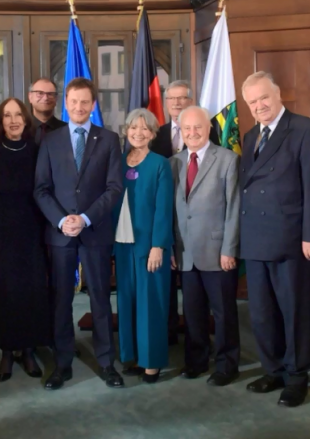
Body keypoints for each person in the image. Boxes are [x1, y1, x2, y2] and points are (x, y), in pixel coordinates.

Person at [239, 71, 310, 408]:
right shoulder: (250, 136)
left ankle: (296, 376)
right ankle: (272, 369)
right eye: (252, 102)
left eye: (264, 97)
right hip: (256, 240)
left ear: (278, 94)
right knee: (261, 313)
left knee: (293, 312)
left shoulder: (305, 130)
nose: (259, 105)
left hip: (293, 240)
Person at [34, 77, 124, 391]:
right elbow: (41, 189)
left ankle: (106, 363)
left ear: (93, 105)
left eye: (85, 102)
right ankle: (62, 365)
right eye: (73, 102)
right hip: (60, 235)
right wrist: (63, 221)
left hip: (95, 231)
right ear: (66, 104)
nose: (79, 107)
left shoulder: (109, 139)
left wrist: (84, 218)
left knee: (100, 298)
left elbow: (114, 188)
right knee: (61, 300)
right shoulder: (50, 140)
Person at [0, 97, 52, 382]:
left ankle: (29, 351)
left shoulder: (38, 152)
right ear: (0, 122)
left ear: (26, 119)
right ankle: (9, 352)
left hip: (34, 237)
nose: (13, 120)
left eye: (17, 115)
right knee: (8, 297)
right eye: (7, 116)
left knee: (33, 294)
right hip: (2, 240)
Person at [171, 106, 241, 387]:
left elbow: (234, 207)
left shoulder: (227, 160)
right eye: (187, 129)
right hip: (185, 252)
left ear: (209, 128)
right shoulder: (173, 162)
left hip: (217, 251)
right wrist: (173, 249)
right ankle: (196, 361)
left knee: (223, 312)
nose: (192, 133)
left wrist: (229, 249)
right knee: (193, 311)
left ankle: (227, 364)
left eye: (198, 127)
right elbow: (174, 212)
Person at [150, 80, 219, 346]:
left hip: (202, 231)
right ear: (165, 103)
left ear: (191, 101)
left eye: (183, 98)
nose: (177, 103)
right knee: (167, 290)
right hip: (168, 226)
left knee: (199, 297)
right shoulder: (155, 134)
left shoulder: (208, 133)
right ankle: (169, 336)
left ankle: (203, 342)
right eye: (172, 99)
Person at [113, 109, 174, 384]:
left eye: (145, 129)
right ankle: (133, 356)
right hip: (122, 244)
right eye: (134, 128)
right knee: (126, 301)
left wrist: (158, 246)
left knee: (151, 305)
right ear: (126, 131)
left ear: (152, 133)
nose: (138, 133)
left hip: (149, 246)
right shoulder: (117, 162)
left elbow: (164, 209)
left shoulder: (160, 164)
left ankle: (151, 362)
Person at [29, 78, 67, 145]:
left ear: (56, 98)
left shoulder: (67, 131)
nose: (45, 98)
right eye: (40, 93)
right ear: (30, 97)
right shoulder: (21, 129)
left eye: (50, 94)